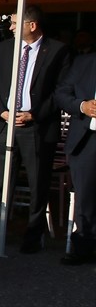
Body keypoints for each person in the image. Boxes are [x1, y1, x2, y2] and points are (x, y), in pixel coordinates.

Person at [0, 6, 71, 253]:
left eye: (14, 23)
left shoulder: (58, 51)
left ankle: (33, 233)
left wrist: (34, 114)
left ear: (31, 25)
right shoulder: (3, 49)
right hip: (5, 124)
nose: (10, 27)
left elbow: (61, 91)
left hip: (37, 126)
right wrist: (1, 110)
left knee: (38, 182)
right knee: (2, 181)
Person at [54, 53, 96, 265]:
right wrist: (82, 106)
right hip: (87, 139)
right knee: (85, 196)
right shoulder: (83, 62)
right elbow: (61, 94)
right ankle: (84, 247)